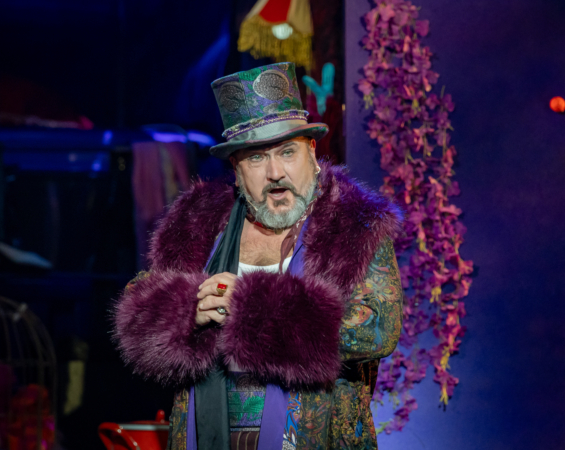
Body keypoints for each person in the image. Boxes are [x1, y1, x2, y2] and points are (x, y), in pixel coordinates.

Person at [113, 62, 403, 450]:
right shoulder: (196, 222)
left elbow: (378, 328)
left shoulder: (353, 224)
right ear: (236, 169)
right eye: (255, 158)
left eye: (287, 152)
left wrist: (250, 308)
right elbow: (137, 319)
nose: (275, 172)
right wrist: (189, 311)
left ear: (311, 152)